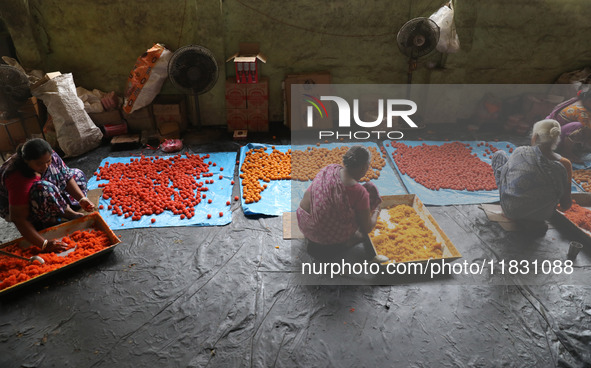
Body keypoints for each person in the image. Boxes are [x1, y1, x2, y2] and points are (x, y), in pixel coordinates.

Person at [0, 139, 95, 253]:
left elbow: (66, 176)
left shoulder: (48, 155)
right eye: (39, 163)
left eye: (48, 161)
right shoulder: (17, 178)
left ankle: (62, 208)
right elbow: (18, 218)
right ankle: (50, 218)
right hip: (17, 204)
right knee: (43, 190)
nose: (45, 166)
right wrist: (44, 244)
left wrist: (81, 199)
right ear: (26, 161)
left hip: (39, 183)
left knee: (77, 174)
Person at [491, 119, 572, 234]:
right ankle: (531, 219)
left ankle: (521, 215)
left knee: (500, 155)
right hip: (542, 215)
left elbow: (509, 175)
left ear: (534, 137)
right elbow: (566, 205)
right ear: (557, 139)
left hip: (511, 210)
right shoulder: (564, 165)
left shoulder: (520, 152)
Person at [297, 145, 381, 248]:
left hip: (305, 225)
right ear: (364, 167)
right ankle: (344, 244)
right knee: (371, 189)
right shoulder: (360, 192)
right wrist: (376, 211)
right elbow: (367, 228)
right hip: (326, 239)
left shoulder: (330, 169)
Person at [547, 88, 591, 162]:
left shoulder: (579, 100)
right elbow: (588, 135)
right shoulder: (581, 113)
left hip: (554, 129)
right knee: (578, 127)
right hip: (552, 139)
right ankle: (566, 152)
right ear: (589, 101)